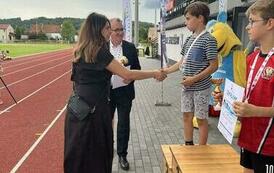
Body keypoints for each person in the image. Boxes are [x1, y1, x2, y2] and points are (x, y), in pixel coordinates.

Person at [64, 12, 166, 173]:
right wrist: (154, 73)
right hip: (95, 110)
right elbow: (128, 74)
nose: (110, 32)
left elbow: (76, 80)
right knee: (98, 153)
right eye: (107, 28)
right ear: (98, 29)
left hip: (77, 109)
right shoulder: (100, 51)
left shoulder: (80, 50)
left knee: (79, 153)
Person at [163, 1, 218, 145]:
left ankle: (201, 149)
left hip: (201, 87)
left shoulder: (209, 39)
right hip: (187, 86)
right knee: (186, 116)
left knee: (200, 118)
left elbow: (214, 66)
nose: (186, 22)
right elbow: (181, 62)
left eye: (188, 18)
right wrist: (166, 71)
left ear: (200, 18)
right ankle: (188, 145)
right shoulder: (189, 39)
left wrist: (194, 79)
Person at [231, 1, 274, 172]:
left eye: (252, 21)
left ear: (270, 23)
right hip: (248, 138)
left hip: (270, 144)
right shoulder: (251, 58)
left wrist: (253, 111)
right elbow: (248, 93)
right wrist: (230, 103)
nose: (248, 27)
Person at [108, 18, 140, 170]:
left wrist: (131, 79)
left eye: (121, 29)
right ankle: (107, 151)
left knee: (123, 124)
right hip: (106, 93)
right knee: (106, 124)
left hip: (124, 92)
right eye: (116, 30)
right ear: (109, 31)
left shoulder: (130, 48)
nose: (120, 32)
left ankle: (122, 155)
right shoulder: (102, 47)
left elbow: (137, 69)